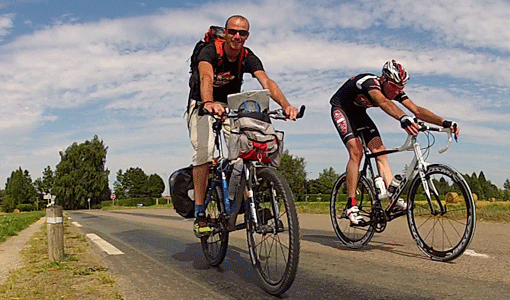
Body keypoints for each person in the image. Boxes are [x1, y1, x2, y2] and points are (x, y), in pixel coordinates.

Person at [188, 15, 299, 237]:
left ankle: (249, 204)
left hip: (230, 105)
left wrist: (286, 105)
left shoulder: (247, 57)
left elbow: (266, 82)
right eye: (232, 32)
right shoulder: (210, 51)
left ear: (247, 36)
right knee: (205, 152)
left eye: (243, 33)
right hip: (202, 102)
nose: (237, 37)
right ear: (226, 33)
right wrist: (209, 102)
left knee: (245, 150)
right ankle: (200, 213)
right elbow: (206, 77)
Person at [330, 60, 460, 225]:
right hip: (341, 108)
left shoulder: (395, 90)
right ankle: (351, 206)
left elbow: (417, 111)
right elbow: (383, 102)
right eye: (394, 86)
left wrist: (444, 122)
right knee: (356, 152)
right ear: (384, 80)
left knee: (380, 151)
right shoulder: (370, 83)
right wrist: (403, 118)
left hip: (358, 113)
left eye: (401, 87)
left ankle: (392, 200)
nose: (398, 91)